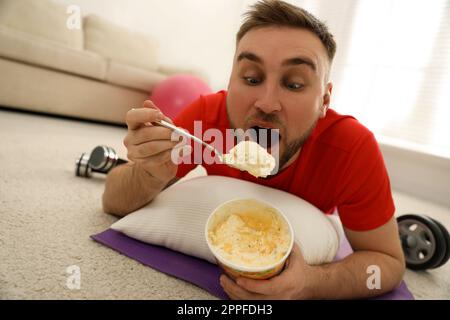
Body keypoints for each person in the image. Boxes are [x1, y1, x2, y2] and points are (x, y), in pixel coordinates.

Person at [102, 0, 405, 299]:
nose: (267, 103)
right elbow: (112, 200)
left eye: (295, 84)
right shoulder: (206, 118)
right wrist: (149, 174)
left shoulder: (352, 149)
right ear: (231, 81)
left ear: (324, 101)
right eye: (251, 78)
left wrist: (310, 283)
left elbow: (387, 264)